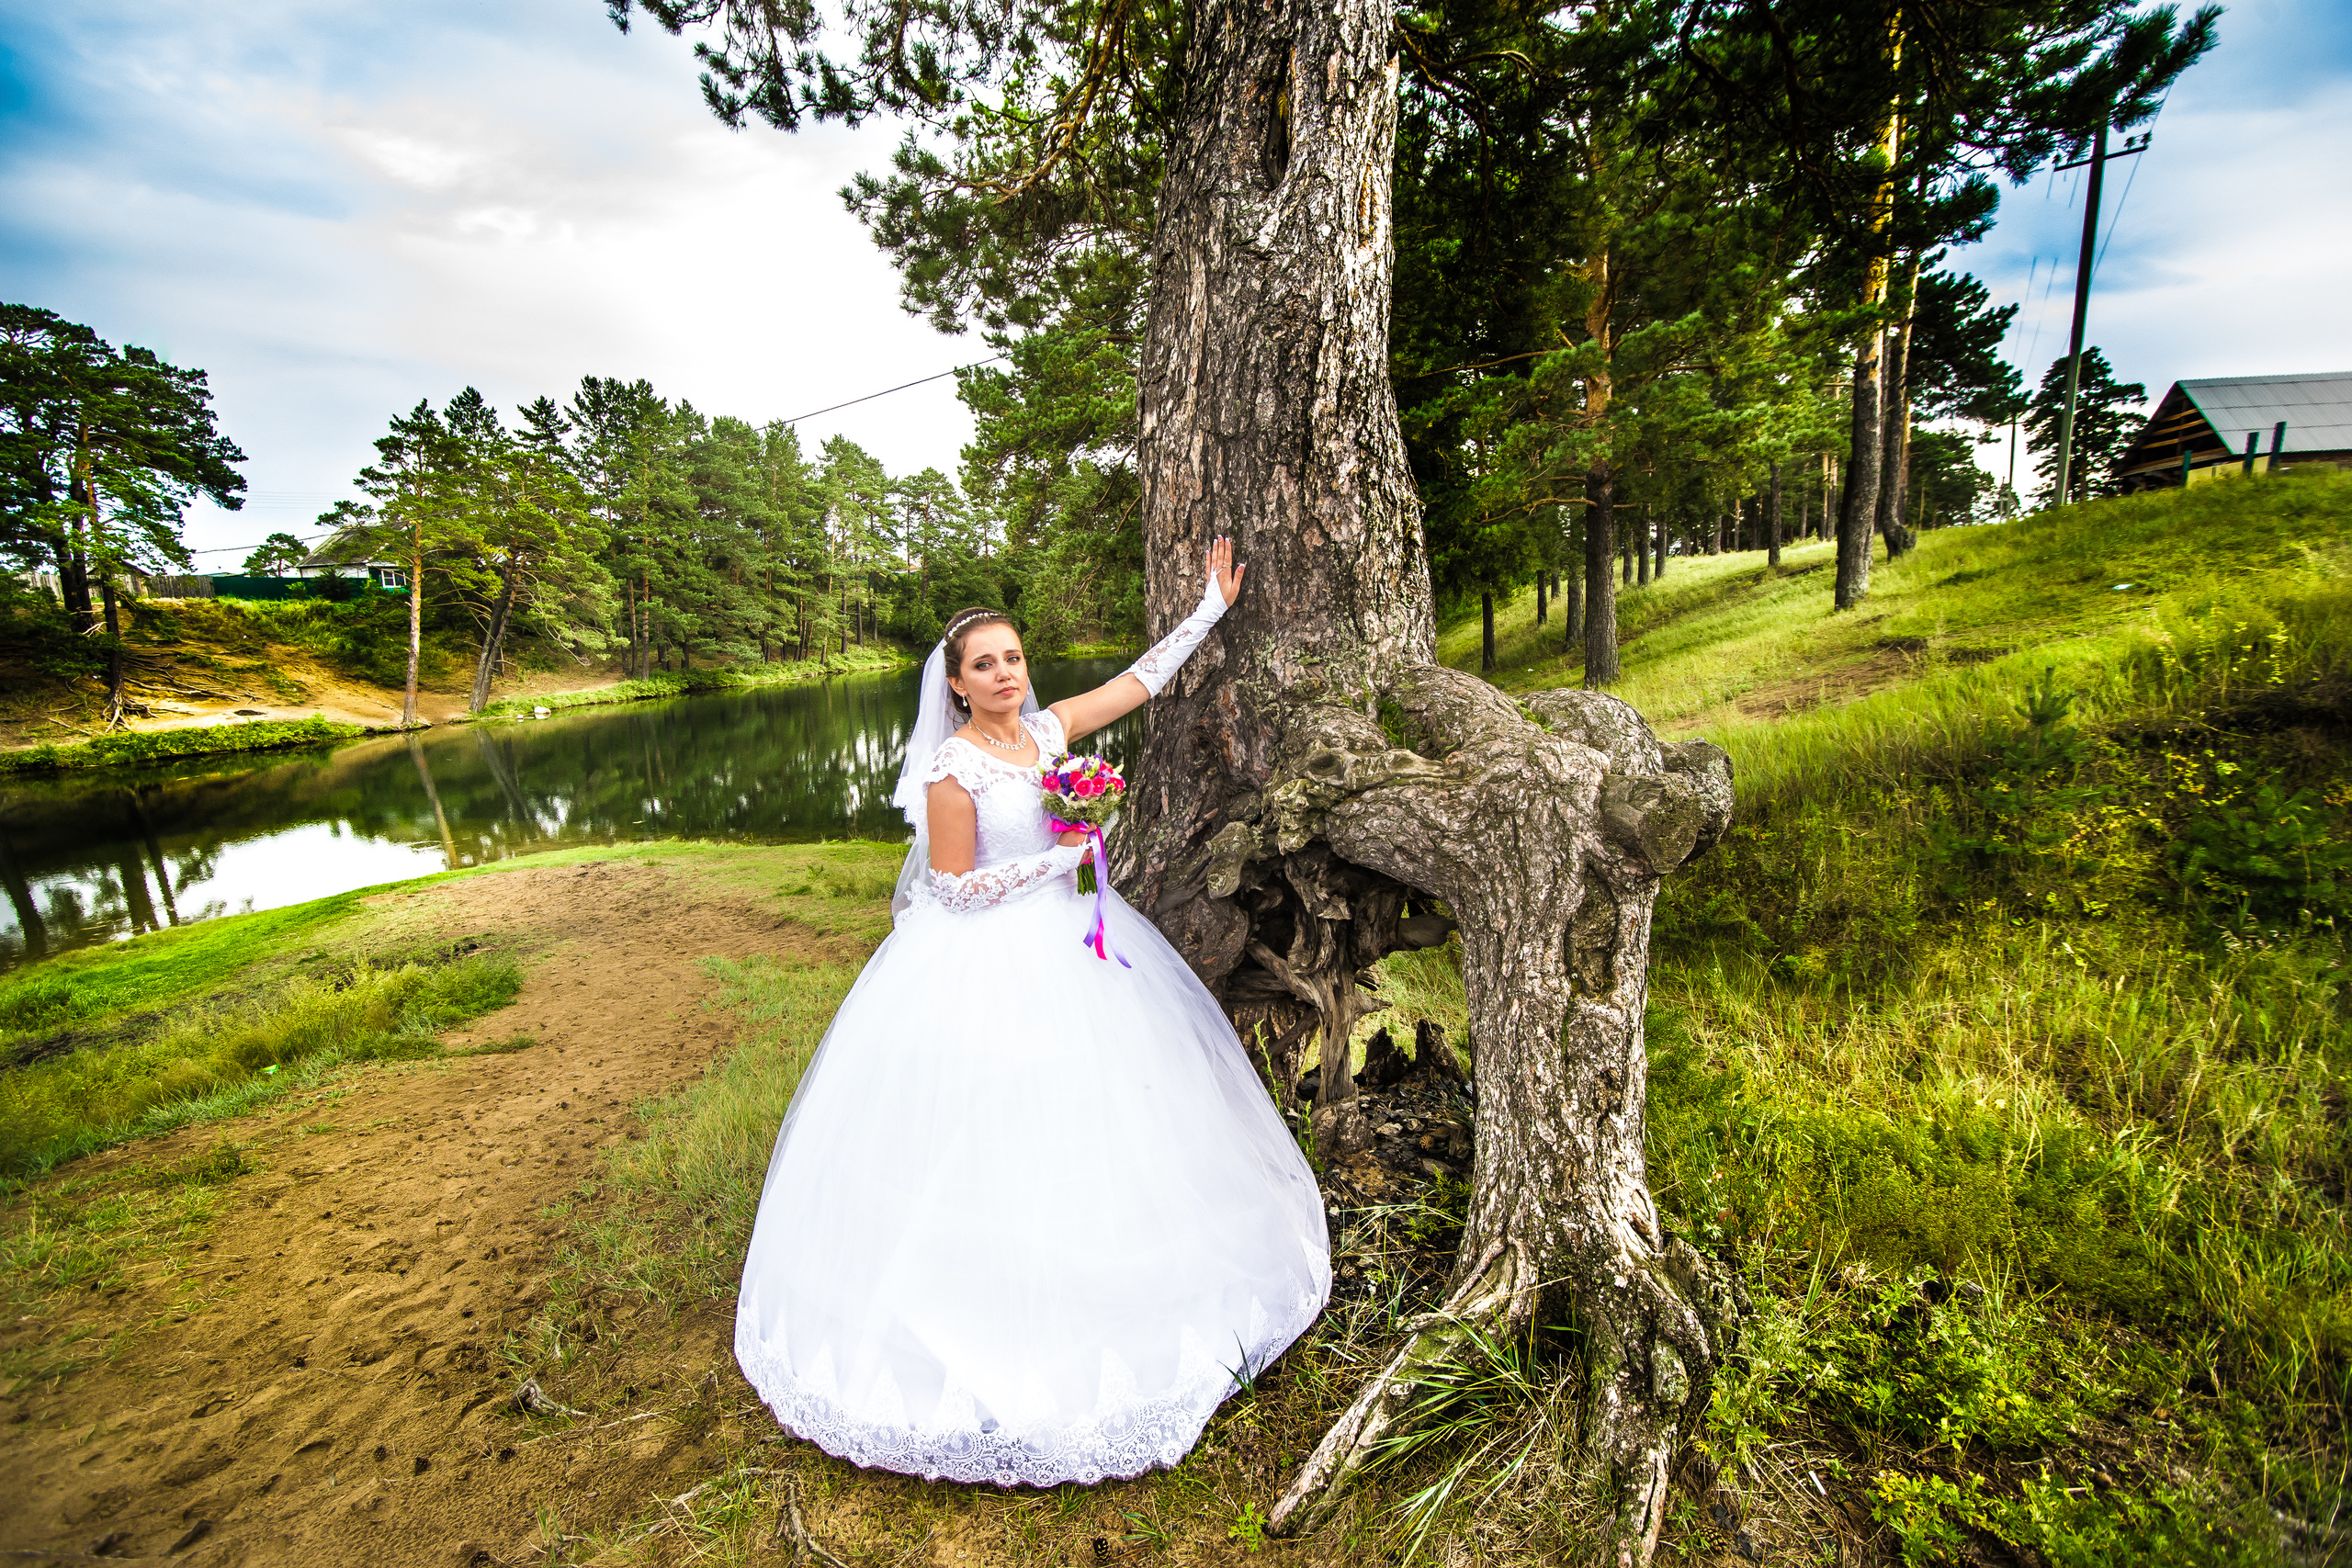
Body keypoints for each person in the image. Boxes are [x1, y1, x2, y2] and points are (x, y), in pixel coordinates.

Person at [733, 538, 1331, 1488]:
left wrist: (1208, 611)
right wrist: (1071, 854)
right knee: (993, 1126)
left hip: (1079, 950)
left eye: (1013, 657)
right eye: (986, 665)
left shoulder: (1049, 735)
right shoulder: (952, 769)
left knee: (1112, 1116)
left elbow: (1135, 686)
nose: (1005, 673)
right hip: (982, 958)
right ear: (958, 686)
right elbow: (955, 888)